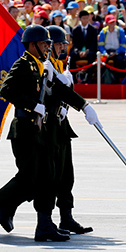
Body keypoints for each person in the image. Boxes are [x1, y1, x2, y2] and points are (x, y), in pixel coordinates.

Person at [0, 25, 99, 242]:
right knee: (30, 178)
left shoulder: (41, 65)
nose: (48, 48)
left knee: (45, 178)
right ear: (33, 45)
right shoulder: (23, 64)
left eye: (50, 44)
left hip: (38, 129)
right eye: (44, 44)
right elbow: (6, 89)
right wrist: (33, 105)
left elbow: (57, 90)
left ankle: (43, 225)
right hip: (24, 128)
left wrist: (83, 106)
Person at [45, 25, 98, 234]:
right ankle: (45, 220)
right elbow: (49, 93)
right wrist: (82, 105)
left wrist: (66, 107)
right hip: (47, 126)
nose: (62, 48)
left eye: (62, 44)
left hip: (62, 125)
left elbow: (65, 95)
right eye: (58, 44)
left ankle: (66, 217)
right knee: (50, 175)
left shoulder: (60, 65)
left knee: (67, 174)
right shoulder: (46, 66)